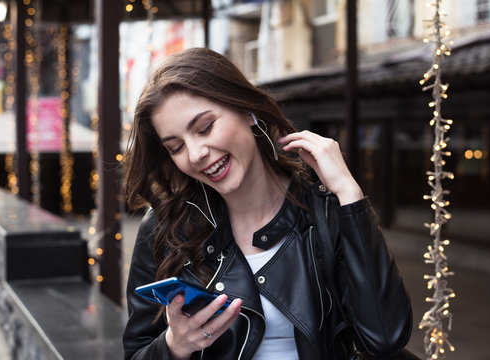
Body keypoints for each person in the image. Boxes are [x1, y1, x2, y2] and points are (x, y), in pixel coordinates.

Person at [122, 47, 412, 360]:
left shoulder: (325, 210)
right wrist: (175, 345)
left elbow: (385, 337)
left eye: (205, 128)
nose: (195, 154)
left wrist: (348, 193)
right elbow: (136, 353)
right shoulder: (165, 228)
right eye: (176, 147)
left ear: (247, 111)